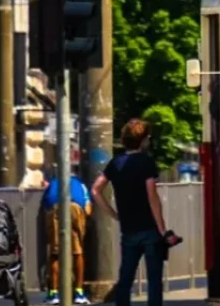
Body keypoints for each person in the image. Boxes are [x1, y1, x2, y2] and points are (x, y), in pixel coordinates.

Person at [91, 120, 178, 306]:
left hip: (128, 229)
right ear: (143, 140)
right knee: (154, 281)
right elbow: (152, 196)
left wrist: (114, 214)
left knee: (125, 280)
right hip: (150, 230)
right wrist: (162, 229)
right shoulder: (146, 162)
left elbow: (95, 190)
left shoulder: (115, 163)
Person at [41, 173, 92, 305]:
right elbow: (88, 208)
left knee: (55, 253)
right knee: (78, 252)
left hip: (55, 206)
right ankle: (79, 292)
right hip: (76, 206)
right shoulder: (80, 185)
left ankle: (53, 293)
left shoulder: (53, 183)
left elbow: (46, 206)